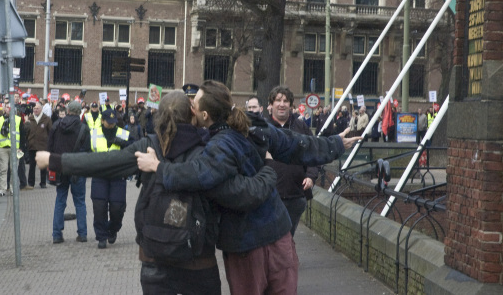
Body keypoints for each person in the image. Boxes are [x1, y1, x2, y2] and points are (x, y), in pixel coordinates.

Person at [35, 91, 278, 294]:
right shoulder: (209, 149)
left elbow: (105, 162)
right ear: (193, 113)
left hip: (154, 258)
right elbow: (239, 193)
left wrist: (56, 160)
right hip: (198, 259)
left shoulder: (148, 146)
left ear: (159, 116)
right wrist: (267, 168)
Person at [134, 80, 358, 295]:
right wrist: (335, 144)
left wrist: (158, 167)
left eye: (194, 104)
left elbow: (199, 175)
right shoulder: (252, 125)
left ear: (204, 115)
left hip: (245, 245)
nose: (190, 106)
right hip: (278, 233)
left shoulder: (216, 147)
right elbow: (294, 144)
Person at [266, 86, 318, 237]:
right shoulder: (264, 128)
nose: (282, 104)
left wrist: (311, 176)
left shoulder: (300, 127)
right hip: (270, 195)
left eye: (285, 101)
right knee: (274, 239)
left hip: (296, 195)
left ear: (290, 105)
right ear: (271, 104)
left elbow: (313, 153)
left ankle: (287, 259)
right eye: (278, 100)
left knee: (288, 236)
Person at [47, 101, 91, 244]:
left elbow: (50, 148)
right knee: (80, 202)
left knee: (60, 200)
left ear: (67, 110)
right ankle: (82, 233)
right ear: (80, 112)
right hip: (77, 169)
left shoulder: (56, 125)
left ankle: (57, 234)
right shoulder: (84, 128)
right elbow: (87, 151)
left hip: (61, 167)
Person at [90, 108, 133, 249]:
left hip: (117, 177)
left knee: (117, 208)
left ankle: (112, 229)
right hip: (99, 176)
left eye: (114, 122)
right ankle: (101, 236)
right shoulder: (93, 134)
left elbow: (135, 149)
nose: (112, 124)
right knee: (99, 207)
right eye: (109, 122)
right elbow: (86, 153)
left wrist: (124, 144)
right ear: (102, 121)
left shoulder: (124, 134)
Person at [0, 104, 28, 196]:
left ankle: (13, 189)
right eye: (6, 108)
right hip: (3, 148)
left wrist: (21, 147)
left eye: (9, 108)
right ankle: (2, 189)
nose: (8, 109)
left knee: (14, 170)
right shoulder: (0, 120)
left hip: (15, 148)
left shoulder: (18, 119)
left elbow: (22, 134)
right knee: (3, 169)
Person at [25, 102, 52, 188]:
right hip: (32, 146)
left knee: (43, 165)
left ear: (41, 109)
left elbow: (50, 132)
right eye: (34, 109)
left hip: (43, 146)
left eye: (37, 108)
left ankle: (43, 183)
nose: (36, 110)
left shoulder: (47, 119)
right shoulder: (30, 118)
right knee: (32, 166)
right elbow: (26, 132)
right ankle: (31, 183)